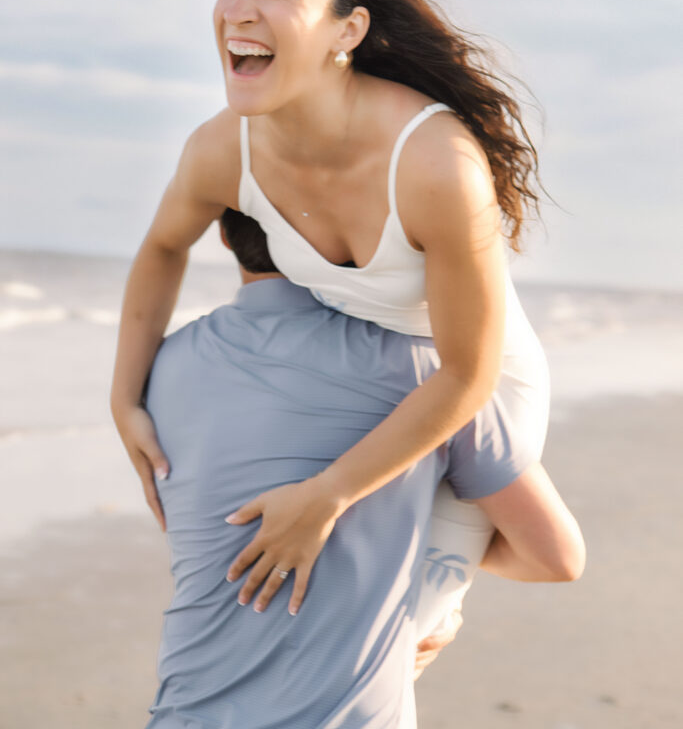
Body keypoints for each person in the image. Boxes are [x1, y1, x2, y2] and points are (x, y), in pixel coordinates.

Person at [112, 0, 582, 632]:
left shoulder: (435, 163)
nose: (239, 8)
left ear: (346, 31)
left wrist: (331, 494)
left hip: (469, 382)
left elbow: (467, 374)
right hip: (359, 365)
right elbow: (162, 249)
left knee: (412, 622)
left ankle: (440, 591)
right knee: (291, 598)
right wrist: (125, 396)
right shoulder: (220, 148)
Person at [142, 209, 583, 727]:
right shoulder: (431, 376)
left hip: (184, 709)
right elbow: (554, 558)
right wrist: (431, 576)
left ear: (222, 234)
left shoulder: (164, 367)